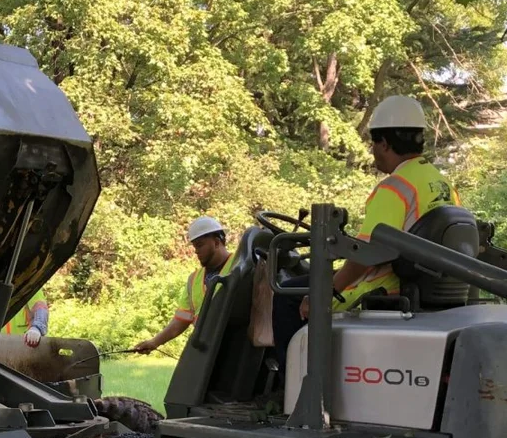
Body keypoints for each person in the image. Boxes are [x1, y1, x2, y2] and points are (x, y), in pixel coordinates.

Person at [271, 95, 460, 372]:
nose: (373, 151)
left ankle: (294, 384)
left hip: (385, 287)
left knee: (288, 294)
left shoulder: (395, 188)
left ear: (385, 144)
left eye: (374, 143)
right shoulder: (443, 184)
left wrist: (325, 293)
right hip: (425, 286)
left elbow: (364, 256)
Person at [133, 216, 235, 354]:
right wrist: (154, 342)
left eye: (200, 245)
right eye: (194, 246)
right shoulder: (194, 279)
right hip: (206, 350)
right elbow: (181, 320)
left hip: (235, 345)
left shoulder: (239, 265)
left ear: (216, 242)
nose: (196, 251)